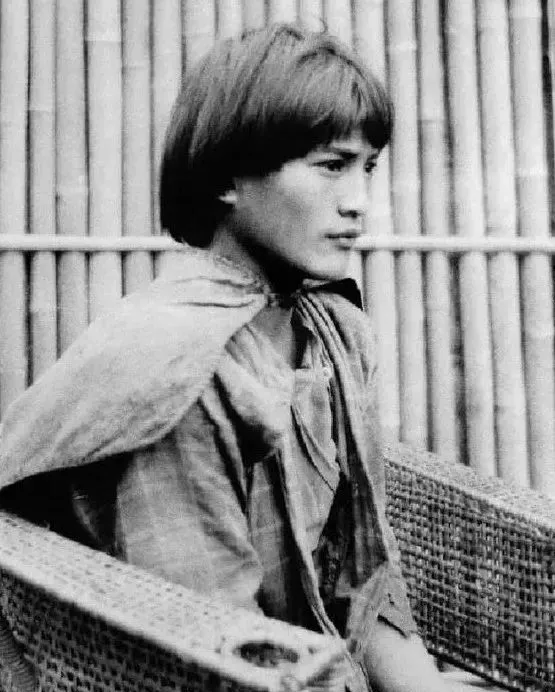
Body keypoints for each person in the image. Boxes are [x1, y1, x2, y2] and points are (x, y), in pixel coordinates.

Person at [0, 24, 474, 692]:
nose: (359, 202)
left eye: (367, 167)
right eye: (331, 165)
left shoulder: (333, 331)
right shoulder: (175, 371)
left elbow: (360, 573)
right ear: (228, 178)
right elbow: (215, 654)